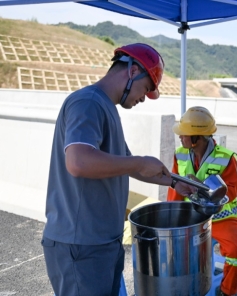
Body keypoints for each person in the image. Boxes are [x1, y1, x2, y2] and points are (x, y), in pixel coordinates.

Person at [41, 43, 196, 296]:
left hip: (102, 241)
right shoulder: (88, 102)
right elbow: (78, 162)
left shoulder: (106, 108)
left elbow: (124, 163)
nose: (144, 97)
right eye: (146, 88)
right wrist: (139, 162)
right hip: (81, 244)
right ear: (133, 71)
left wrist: (174, 183)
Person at [167, 106, 237, 296]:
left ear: (197, 138)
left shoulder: (226, 158)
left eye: (184, 134)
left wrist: (205, 190)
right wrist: (171, 217)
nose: (180, 137)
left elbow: (232, 191)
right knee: (176, 256)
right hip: (192, 219)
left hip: (221, 218)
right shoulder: (179, 154)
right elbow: (176, 190)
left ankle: (227, 290)